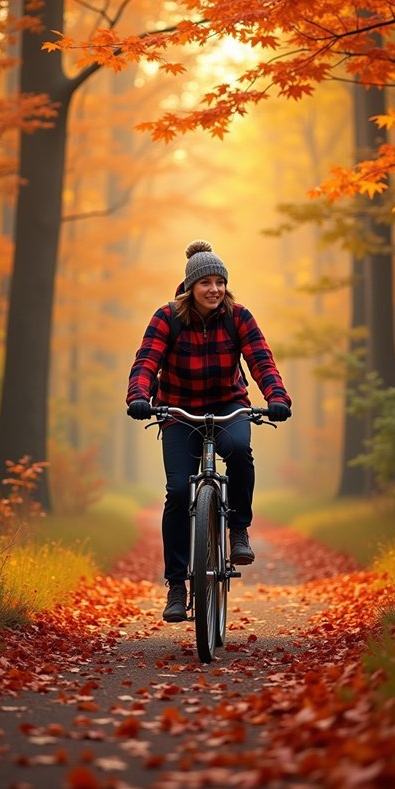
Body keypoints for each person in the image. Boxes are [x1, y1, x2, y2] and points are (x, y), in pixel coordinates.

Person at [126, 240, 292, 623]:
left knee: (238, 449)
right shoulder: (167, 317)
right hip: (177, 408)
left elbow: (261, 360)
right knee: (179, 491)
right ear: (190, 286)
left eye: (220, 282)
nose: (214, 289)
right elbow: (146, 362)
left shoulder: (239, 317)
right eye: (206, 283)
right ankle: (175, 586)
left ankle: (238, 531)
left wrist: (277, 397)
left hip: (227, 403)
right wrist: (138, 397)